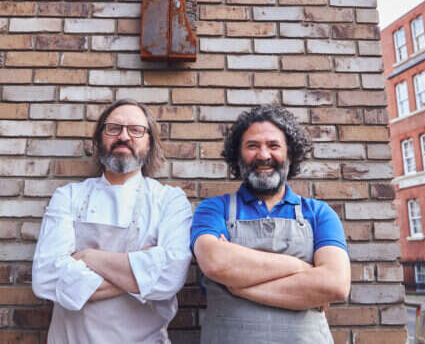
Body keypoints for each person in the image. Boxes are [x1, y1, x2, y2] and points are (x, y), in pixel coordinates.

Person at [32, 99, 193, 344]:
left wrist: (87, 257)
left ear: (150, 143)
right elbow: (45, 279)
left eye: (136, 130)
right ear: (99, 140)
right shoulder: (69, 196)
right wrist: (141, 270)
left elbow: (170, 276)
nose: (124, 136)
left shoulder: (169, 200)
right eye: (113, 128)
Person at [191, 105, 350, 344]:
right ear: (238, 155)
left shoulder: (319, 213)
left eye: (273, 146)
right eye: (252, 146)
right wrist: (303, 269)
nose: (263, 155)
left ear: (290, 154)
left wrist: (239, 287)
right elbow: (216, 263)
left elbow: (335, 284)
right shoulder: (214, 209)